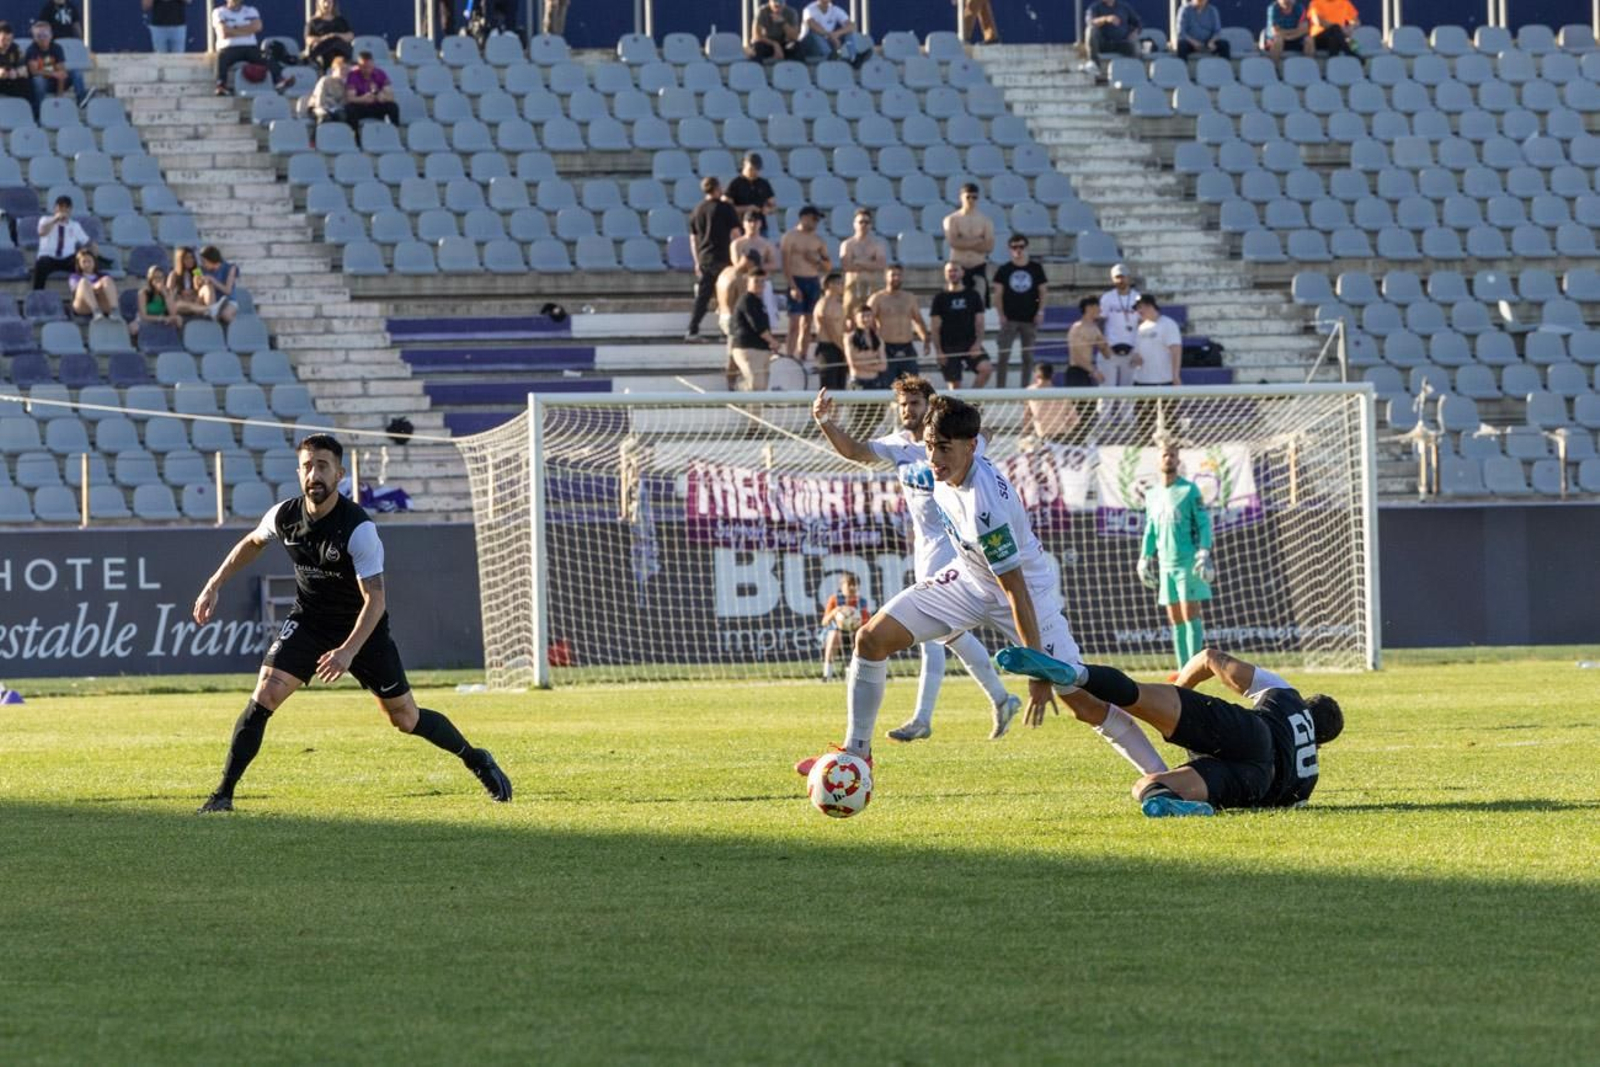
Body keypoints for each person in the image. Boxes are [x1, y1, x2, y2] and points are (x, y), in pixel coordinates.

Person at [795, 395, 1169, 778]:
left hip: (1025, 598)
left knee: (1084, 704)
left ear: (969, 447)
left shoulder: (984, 508)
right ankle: (857, 754)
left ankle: (1162, 771)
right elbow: (981, 432)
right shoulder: (960, 454)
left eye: (944, 448)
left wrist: (1040, 672)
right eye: (929, 446)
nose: (934, 458)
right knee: (871, 639)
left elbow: (1015, 590)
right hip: (968, 581)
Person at [192, 434, 514, 813]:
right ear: (298, 472)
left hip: (363, 630)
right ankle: (223, 796)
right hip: (309, 622)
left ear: (339, 474)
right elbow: (252, 543)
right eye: (308, 466)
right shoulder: (283, 516)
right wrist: (213, 584)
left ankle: (476, 758)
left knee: (405, 718)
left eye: (323, 466)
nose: (314, 474)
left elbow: (375, 601)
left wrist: (347, 652)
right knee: (265, 696)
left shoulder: (358, 528)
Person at [812, 377, 1021, 738]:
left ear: (930, 405)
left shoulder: (951, 444)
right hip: (924, 548)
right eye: (903, 405)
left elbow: (984, 435)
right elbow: (854, 451)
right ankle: (1001, 698)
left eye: (915, 404)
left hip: (956, 548)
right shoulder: (897, 445)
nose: (908, 410)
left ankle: (923, 719)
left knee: (932, 636)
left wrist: (964, 418)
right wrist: (825, 421)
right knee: (950, 635)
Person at [997, 645, 1342, 817]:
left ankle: (1076, 674)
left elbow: (1211, 658)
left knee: (1136, 695)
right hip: (1256, 782)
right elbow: (1284, 805)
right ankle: (1169, 802)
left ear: (1307, 707)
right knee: (1147, 786)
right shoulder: (1308, 781)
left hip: (1252, 732)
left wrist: (1179, 693)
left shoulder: (1287, 696)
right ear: (1320, 743)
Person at [1138, 439, 1213, 671]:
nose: (1168, 458)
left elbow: (1204, 524)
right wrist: (1144, 558)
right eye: (1164, 455)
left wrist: (1204, 550)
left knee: (1190, 614)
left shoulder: (1189, 490)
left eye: (1172, 455)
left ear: (1178, 460)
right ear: (1158, 460)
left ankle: (1195, 670)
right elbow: (1150, 529)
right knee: (1175, 618)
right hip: (1165, 565)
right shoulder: (1152, 494)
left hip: (1187, 563)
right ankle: (1183, 670)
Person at [686, 177, 740, 342]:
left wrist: (697, 260)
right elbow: (735, 234)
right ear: (717, 188)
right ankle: (725, 331)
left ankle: (692, 329)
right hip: (723, 256)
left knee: (703, 296)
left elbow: (693, 239)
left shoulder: (697, 210)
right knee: (726, 296)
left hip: (705, 257)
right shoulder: (725, 208)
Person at [992, 234, 1048, 387]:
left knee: (1028, 357)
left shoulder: (1036, 268)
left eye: (1021, 247)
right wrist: (1001, 315)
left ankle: (1025, 389)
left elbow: (1043, 292)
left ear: (1026, 248)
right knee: (1003, 355)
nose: (1018, 250)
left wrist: (1040, 312)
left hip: (1030, 318)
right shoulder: (1004, 269)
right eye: (1014, 247)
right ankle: (1000, 389)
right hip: (1009, 318)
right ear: (1010, 249)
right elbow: (998, 294)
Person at [929, 261, 990, 389]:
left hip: (970, 343)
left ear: (962, 273)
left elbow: (980, 322)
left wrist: (977, 344)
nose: (952, 273)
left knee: (986, 369)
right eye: (949, 271)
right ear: (945, 274)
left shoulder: (973, 295)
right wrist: (939, 351)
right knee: (954, 386)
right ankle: (960, 403)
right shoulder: (940, 298)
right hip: (948, 346)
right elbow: (935, 327)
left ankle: (973, 399)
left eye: (955, 270)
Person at [212, 0, 293, 96]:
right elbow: (223, 32)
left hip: (250, 47)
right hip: (228, 48)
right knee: (221, 58)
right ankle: (221, 85)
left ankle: (279, 81)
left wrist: (233, 29)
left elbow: (258, 27)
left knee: (266, 57)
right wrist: (247, 30)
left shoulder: (251, 11)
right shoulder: (219, 12)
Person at [780, 205, 830, 359]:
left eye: (817, 220)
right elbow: (785, 264)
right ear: (804, 218)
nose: (816, 223)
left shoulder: (818, 240)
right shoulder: (790, 237)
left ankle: (803, 354)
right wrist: (792, 286)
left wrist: (816, 261)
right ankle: (790, 354)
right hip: (796, 279)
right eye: (814, 219)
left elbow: (828, 266)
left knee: (808, 322)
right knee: (794, 322)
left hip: (812, 280)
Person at [866, 264, 928, 382]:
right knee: (887, 384)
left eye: (899, 275)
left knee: (913, 385)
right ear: (886, 277)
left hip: (907, 347)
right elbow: (866, 322)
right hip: (887, 347)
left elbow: (918, 320)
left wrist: (925, 339)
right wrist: (872, 344)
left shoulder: (909, 298)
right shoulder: (877, 298)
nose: (896, 278)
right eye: (893, 275)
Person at [942, 183, 994, 310]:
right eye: (968, 197)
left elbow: (989, 246)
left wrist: (963, 241)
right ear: (961, 197)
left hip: (978, 267)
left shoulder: (985, 221)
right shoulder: (952, 219)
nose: (971, 200)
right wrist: (978, 240)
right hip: (959, 266)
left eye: (974, 197)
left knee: (979, 305)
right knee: (956, 303)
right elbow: (953, 242)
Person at [729, 208, 781, 331]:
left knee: (765, 316)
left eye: (756, 221)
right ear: (744, 224)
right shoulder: (737, 244)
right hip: (743, 283)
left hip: (762, 282)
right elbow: (736, 265)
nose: (753, 224)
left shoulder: (766, 244)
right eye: (750, 221)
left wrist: (758, 266)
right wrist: (745, 263)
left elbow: (775, 264)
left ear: (760, 224)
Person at [730, 269, 778, 392]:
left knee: (761, 387)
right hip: (749, 348)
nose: (760, 284)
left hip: (761, 349)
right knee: (755, 385)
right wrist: (773, 341)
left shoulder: (759, 302)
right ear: (748, 282)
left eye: (762, 282)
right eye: (756, 281)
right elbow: (758, 326)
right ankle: (737, 394)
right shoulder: (747, 300)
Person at [32, 194, 93, 291]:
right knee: (41, 264)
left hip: (67, 258)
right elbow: (42, 232)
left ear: (70, 210)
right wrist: (55, 219)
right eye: (60, 207)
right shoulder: (46, 220)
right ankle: (38, 293)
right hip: (48, 257)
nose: (63, 210)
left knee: (82, 263)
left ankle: (83, 292)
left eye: (66, 207)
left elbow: (87, 241)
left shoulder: (75, 225)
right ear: (55, 208)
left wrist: (93, 251)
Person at [818, 574, 871, 682]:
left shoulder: (862, 602)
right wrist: (835, 612)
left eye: (855, 585)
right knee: (835, 635)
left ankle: (852, 671)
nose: (852, 587)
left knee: (861, 635)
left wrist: (857, 621)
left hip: (853, 635)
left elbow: (866, 623)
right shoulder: (834, 599)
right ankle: (827, 675)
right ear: (842, 586)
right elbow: (824, 622)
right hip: (834, 636)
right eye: (849, 584)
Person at [838, 207, 887, 319]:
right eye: (861, 222)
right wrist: (870, 263)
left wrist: (858, 262)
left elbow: (881, 265)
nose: (864, 225)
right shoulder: (847, 244)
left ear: (870, 225)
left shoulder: (878, 244)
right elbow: (846, 266)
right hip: (852, 287)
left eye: (867, 222)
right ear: (854, 224)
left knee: (874, 318)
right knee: (849, 319)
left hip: (873, 287)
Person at [26, 20, 87, 107]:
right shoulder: (32, 49)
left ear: (51, 35)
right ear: (34, 38)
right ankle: (38, 107)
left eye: (45, 35)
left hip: (55, 80)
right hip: (42, 82)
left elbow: (61, 72)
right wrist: (54, 74)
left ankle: (82, 101)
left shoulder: (57, 48)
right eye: (39, 36)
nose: (42, 38)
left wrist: (59, 96)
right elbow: (34, 71)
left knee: (76, 73)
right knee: (39, 80)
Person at [1098, 263, 1141, 386]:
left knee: (1128, 390)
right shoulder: (1107, 298)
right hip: (1111, 348)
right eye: (1117, 277)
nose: (1121, 280)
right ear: (1112, 279)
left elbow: (1142, 324)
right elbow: (1100, 322)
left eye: (1123, 276)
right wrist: (1103, 346)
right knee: (1107, 389)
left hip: (1131, 348)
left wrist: (1139, 350)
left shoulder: (1137, 297)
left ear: (1129, 278)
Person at [799, 0, 868, 66]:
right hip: (807, 44)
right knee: (815, 36)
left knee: (849, 34)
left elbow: (852, 26)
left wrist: (836, 34)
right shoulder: (808, 9)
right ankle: (831, 58)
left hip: (828, 41)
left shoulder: (835, 10)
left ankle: (853, 58)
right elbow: (812, 25)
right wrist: (831, 36)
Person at [1132, 295, 1182, 387]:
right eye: (1137, 308)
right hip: (1141, 380)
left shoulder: (1168, 324)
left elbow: (1176, 351)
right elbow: (1137, 352)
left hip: (1163, 380)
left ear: (1150, 306)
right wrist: (1135, 359)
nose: (1138, 311)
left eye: (1140, 307)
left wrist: (1175, 375)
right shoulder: (1141, 327)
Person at [1023, 363, 1079, 442]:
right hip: (1061, 435)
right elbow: (1074, 419)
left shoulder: (1030, 391)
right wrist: (1067, 428)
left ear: (1035, 375)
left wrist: (1025, 433)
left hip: (1042, 435)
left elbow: (1027, 416)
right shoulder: (1062, 394)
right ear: (1053, 375)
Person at [724, 152, 776, 236]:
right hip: (740, 228)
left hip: (760, 228)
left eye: (757, 169)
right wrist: (746, 208)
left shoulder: (764, 184)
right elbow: (726, 208)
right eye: (751, 169)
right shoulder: (735, 184)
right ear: (744, 165)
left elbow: (773, 205)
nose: (754, 172)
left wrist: (768, 209)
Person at [812, 272, 849, 390]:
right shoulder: (824, 304)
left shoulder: (838, 304)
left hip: (839, 346)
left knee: (840, 386)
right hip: (828, 348)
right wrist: (843, 348)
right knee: (829, 386)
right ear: (830, 285)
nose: (843, 286)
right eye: (840, 283)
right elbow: (830, 330)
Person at [843, 304, 891, 390]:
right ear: (855, 319)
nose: (866, 319)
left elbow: (884, 366)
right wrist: (873, 363)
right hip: (857, 381)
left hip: (875, 381)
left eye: (868, 316)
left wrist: (863, 364)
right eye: (862, 316)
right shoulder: (849, 338)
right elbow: (852, 363)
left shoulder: (878, 339)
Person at [344, 51, 399, 125]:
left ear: (373, 64)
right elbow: (350, 98)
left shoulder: (380, 74)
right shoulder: (353, 75)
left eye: (369, 66)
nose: (367, 69)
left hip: (376, 105)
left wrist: (383, 97)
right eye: (364, 67)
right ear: (359, 66)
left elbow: (391, 96)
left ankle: (394, 129)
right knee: (349, 108)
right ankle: (354, 131)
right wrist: (362, 99)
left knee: (393, 107)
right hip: (361, 106)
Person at [1066, 296, 1109, 387]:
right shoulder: (1078, 328)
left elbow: (1107, 354)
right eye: (1098, 307)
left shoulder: (1095, 329)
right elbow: (1076, 357)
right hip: (1077, 372)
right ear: (1089, 308)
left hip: (1087, 372)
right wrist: (1094, 371)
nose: (1100, 310)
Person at [67, 248, 118, 321]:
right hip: (83, 305)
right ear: (79, 264)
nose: (87, 264)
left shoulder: (103, 275)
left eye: (89, 261)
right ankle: (96, 311)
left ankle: (115, 310)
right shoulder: (75, 277)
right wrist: (95, 287)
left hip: (102, 304)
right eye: (84, 262)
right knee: (84, 282)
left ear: (94, 262)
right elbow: (76, 290)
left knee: (106, 279)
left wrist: (99, 287)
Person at [303, 0, 354, 72]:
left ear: (333, 4)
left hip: (340, 51)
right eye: (324, 2)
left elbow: (350, 36)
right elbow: (308, 40)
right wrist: (324, 38)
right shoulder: (313, 22)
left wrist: (335, 35)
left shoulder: (340, 20)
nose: (326, 5)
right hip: (323, 52)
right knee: (329, 46)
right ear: (318, 3)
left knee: (335, 41)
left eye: (329, 2)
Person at [137, 264, 188, 331]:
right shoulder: (143, 293)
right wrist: (161, 318)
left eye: (161, 277)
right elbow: (144, 316)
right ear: (150, 280)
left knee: (178, 319)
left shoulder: (167, 292)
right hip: (150, 320)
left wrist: (165, 295)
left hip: (163, 318)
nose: (159, 280)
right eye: (156, 278)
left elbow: (173, 313)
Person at [198, 245, 240, 324]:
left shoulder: (230, 268)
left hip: (228, 301)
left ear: (211, 260)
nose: (203, 264)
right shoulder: (199, 269)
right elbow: (196, 280)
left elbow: (228, 291)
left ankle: (239, 329)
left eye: (204, 262)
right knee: (208, 286)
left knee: (226, 314)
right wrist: (200, 280)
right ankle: (213, 310)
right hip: (209, 300)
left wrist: (213, 280)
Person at [303, 53, 347, 125]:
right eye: (342, 69)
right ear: (333, 70)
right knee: (325, 117)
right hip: (317, 108)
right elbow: (319, 101)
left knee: (342, 116)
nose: (344, 72)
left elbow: (343, 102)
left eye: (346, 70)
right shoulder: (325, 81)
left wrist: (333, 104)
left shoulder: (345, 84)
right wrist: (331, 104)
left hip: (334, 109)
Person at [0, 24, 34, 106]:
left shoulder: (15, 48)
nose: (6, 43)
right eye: (3, 40)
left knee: (26, 84)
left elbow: (24, 70)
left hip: (11, 80)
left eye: (9, 40)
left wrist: (16, 73)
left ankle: (28, 110)